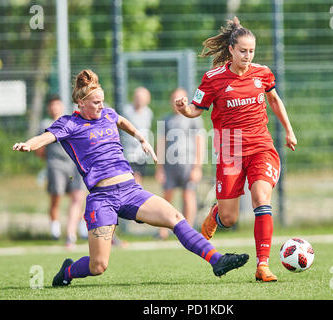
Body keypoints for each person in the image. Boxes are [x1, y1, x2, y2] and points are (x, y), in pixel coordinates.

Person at [12, 69, 249, 287]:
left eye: (102, 101)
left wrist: (141, 138)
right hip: (102, 198)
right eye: (95, 103)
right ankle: (67, 271)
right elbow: (47, 137)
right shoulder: (70, 123)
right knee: (98, 266)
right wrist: (29, 145)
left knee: (175, 217)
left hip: (130, 190)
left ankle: (217, 260)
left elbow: (121, 121)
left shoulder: (107, 113)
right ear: (81, 103)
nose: (100, 106)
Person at [173, 17, 297, 282]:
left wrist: (288, 129)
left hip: (261, 147)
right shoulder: (213, 78)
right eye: (243, 50)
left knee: (261, 198)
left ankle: (262, 265)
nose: (248, 56)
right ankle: (217, 212)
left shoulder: (262, 73)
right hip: (229, 150)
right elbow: (196, 110)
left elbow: (274, 100)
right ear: (231, 49)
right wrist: (184, 108)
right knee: (229, 219)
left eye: (252, 51)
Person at [35, 95, 87, 248]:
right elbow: (40, 147)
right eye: (52, 105)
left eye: (57, 104)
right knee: (56, 195)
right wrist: (50, 161)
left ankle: (78, 228)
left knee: (77, 196)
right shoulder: (45, 123)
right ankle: (55, 228)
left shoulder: (71, 121)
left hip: (73, 165)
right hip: (55, 164)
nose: (54, 108)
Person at [155, 88, 205, 239]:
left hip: (188, 164)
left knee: (188, 195)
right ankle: (163, 231)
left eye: (180, 99)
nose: (177, 102)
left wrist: (197, 167)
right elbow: (161, 144)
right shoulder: (165, 119)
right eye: (174, 99)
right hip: (170, 165)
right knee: (167, 197)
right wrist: (159, 168)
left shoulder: (194, 119)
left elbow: (200, 142)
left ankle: (188, 233)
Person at [120, 87, 153, 185]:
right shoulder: (126, 111)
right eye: (138, 97)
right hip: (128, 152)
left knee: (138, 179)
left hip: (141, 153)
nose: (140, 100)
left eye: (143, 98)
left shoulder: (148, 112)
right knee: (134, 179)